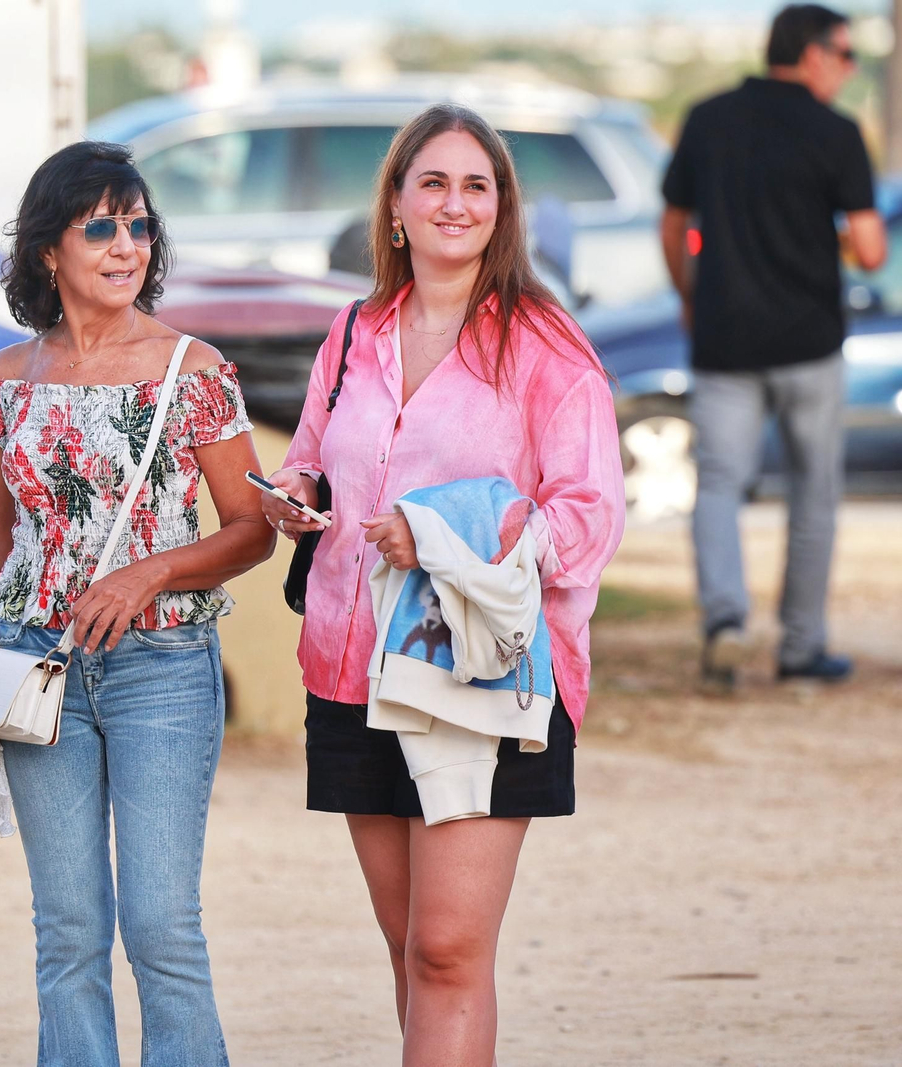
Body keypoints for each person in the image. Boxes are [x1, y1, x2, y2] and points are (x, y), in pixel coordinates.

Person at [262, 104, 624, 1066]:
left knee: (448, 948)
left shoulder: (545, 345)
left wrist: (444, 538)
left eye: (477, 185)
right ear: (395, 205)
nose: (454, 203)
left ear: (503, 210)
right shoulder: (351, 333)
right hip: (348, 672)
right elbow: (313, 458)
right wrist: (296, 497)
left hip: (483, 680)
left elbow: (588, 519)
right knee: (409, 948)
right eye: (433, 182)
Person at [0, 141, 273, 1067]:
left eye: (138, 225)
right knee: (68, 930)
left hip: (160, 667)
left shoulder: (192, 368)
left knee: (161, 926)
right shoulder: (10, 377)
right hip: (33, 665)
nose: (126, 244)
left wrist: (149, 573)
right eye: (101, 226)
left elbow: (251, 528)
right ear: (51, 250)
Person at [661, 3, 888, 688]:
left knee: (720, 485)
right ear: (813, 55)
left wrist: (691, 298)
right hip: (810, 343)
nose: (849, 70)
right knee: (813, 495)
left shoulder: (708, 118)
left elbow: (673, 227)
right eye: (845, 56)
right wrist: (834, 237)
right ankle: (800, 651)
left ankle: (725, 622)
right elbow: (873, 250)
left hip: (724, 339)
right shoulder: (838, 133)